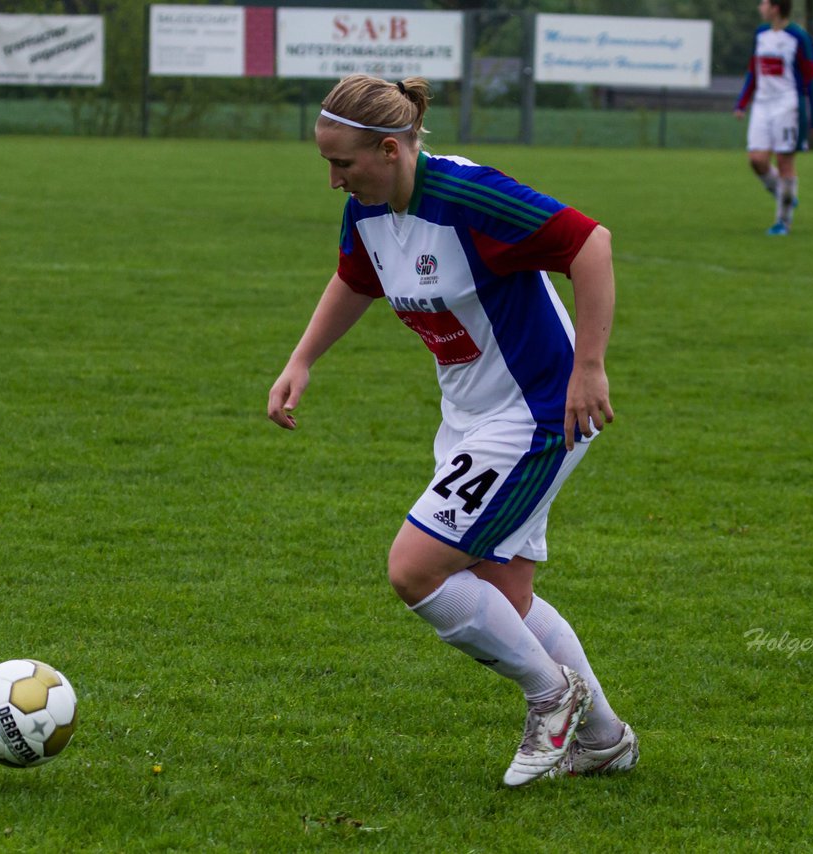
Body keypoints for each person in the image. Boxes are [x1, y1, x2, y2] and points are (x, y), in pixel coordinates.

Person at [267, 74, 638, 787]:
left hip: (538, 413)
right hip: (472, 419)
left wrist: (589, 366)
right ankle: (604, 740)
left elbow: (590, 243)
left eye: (343, 163)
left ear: (391, 148)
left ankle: (552, 697)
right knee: (507, 595)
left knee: (414, 568)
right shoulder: (369, 207)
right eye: (327, 163)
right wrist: (302, 358)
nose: (333, 180)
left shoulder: (469, 198)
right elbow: (356, 278)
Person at [734, 0, 813, 236]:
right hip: (762, 105)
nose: (759, 7)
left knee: (785, 162)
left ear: (775, 7)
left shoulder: (798, 37)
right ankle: (784, 194)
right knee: (756, 159)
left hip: (787, 106)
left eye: (763, 3)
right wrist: (742, 102)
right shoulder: (761, 34)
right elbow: (754, 71)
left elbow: (811, 79)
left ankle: (782, 222)